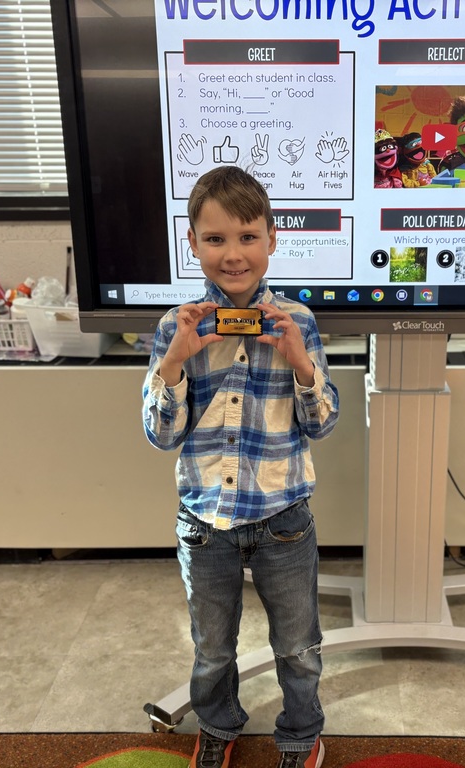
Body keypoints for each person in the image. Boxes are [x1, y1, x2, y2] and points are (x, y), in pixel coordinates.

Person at [142, 165, 339, 768]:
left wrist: (300, 362)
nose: (233, 254)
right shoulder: (176, 328)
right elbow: (159, 434)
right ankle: (219, 726)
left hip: (283, 517)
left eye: (248, 236)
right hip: (205, 522)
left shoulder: (298, 322)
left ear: (272, 240)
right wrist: (175, 361)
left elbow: (322, 423)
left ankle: (302, 735)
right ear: (194, 244)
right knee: (211, 648)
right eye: (216, 238)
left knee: (299, 645)